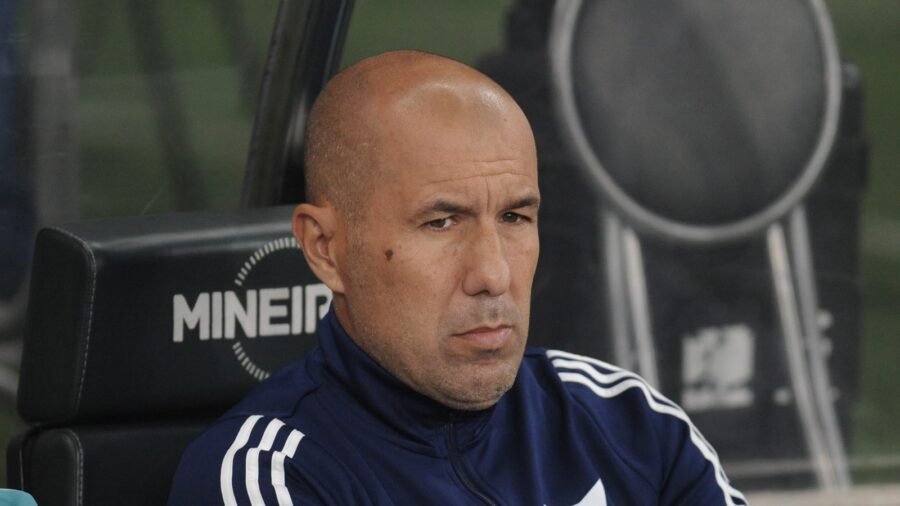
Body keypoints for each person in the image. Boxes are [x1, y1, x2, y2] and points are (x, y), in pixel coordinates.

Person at [169, 50, 747, 505]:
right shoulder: (271, 477)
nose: (493, 274)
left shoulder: (627, 423)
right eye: (441, 222)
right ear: (325, 249)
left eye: (515, 217)